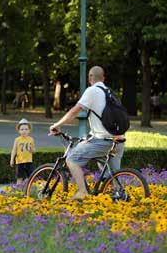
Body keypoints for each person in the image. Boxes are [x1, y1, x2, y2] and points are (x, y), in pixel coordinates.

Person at [49, 65, 124, 200]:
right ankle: (118, 196)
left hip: (103, 141)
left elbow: (74, 111)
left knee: (71, 159)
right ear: (103, 78)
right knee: (112, 176)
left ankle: (83, 192)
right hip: (119, 140)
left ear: (90, 78)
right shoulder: (109, 92)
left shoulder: (92, 91)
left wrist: (57, 125)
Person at [10, 119, 35, 185]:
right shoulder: (17, 140)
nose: (24, 131)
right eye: (22, 129)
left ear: (29, 130)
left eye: (26, 129)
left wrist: (31, 149)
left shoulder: (31, 139)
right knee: (19, 177)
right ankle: (18, 190)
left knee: (31, 176)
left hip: (29, 161)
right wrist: (12, 160)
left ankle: (30, 189)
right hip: (19, 162)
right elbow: (14, 150)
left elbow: (33, 151)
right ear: (19, 131)